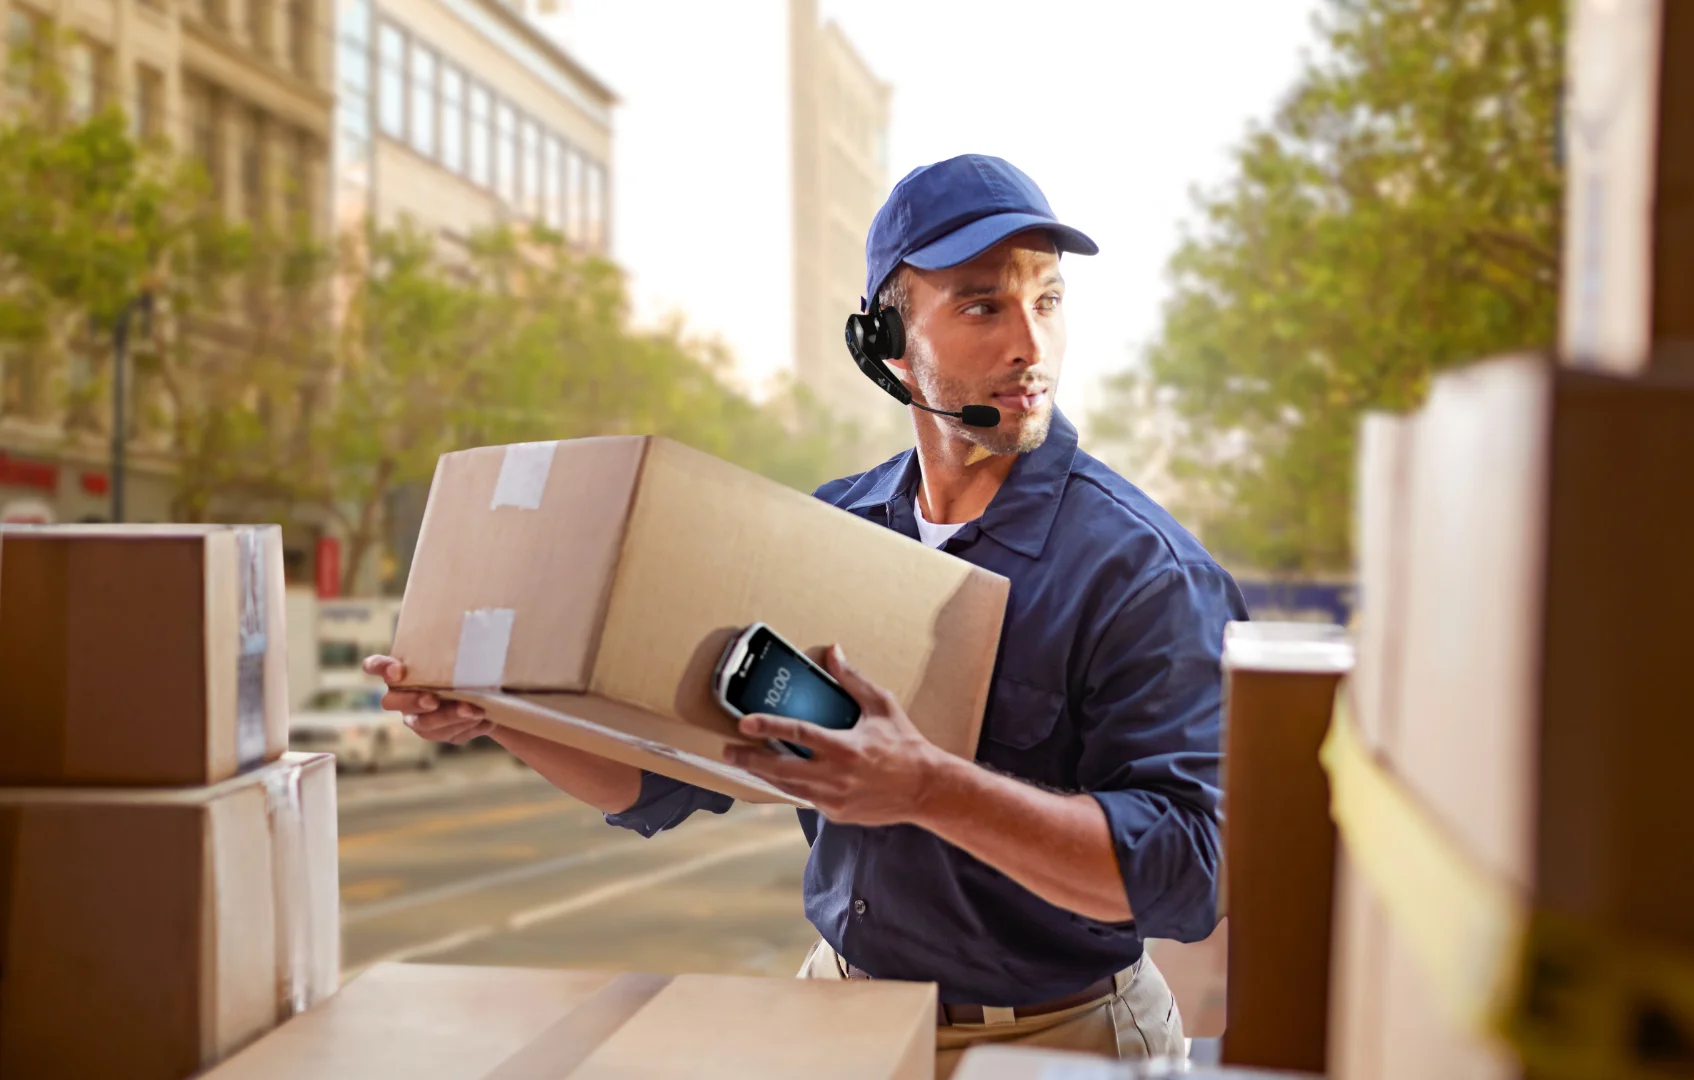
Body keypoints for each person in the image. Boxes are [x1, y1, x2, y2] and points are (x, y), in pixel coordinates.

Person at [366, 154, 1246, 1077]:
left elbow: (1191, 874)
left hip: (1056, 1037)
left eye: (1050, 300)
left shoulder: (1145, 573)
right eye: (984, 306)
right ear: (887, 346)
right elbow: (668, 782)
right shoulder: (832, 533)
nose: (1030, 343)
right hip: (841, 1007)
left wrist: (931, 789)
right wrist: (495, 715)